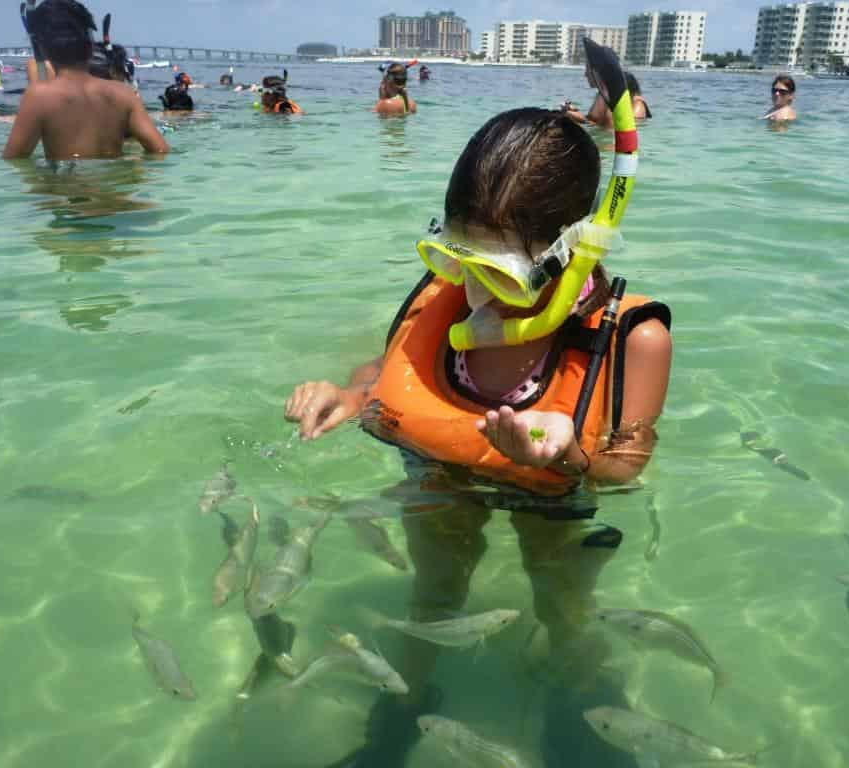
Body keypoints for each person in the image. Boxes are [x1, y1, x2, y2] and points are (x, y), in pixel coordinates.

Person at [287, 42, 671, 768]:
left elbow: (627, 464)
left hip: (549, 491)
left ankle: (585, 711)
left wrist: (568, 454)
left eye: (497, 273)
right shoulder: (445, 296)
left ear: (574, 252)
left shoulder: (634, 338)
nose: (473, 293)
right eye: (453, 258)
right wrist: (348, 392)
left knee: (562, 607)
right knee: (432, 596)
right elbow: (389, 367)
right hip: (442, 475)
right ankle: (398, 715)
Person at [2, 0, 168, 160]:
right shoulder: (124, 94)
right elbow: (160, 150)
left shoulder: (39, 96)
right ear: (90, 46)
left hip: (63, 187)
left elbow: (15, 159)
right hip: (117, 188)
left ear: (44, 49)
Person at [563, 59, 614, 129]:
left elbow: (608, 129)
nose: (585, 74)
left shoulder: (608, 95)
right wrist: (575, 111)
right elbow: (594, 121)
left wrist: (579, 118)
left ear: (597, 72)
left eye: (587, 70)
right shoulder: (602, 93)